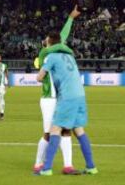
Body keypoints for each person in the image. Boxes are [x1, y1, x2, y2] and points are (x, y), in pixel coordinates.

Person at [36, 31, 98, 176]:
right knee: (79, 130)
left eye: (46, 40)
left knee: (55, 130)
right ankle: (91, 167)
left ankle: (46, 169)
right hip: (80, 95)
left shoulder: (51, 56)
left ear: (50, 42)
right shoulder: (70, 56)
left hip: (68, 96)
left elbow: (40, 77)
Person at [33, 5, 81, 175]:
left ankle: (68, 165)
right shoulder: (45, 53)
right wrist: (70, 19)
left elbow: (62, 37)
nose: (46, 40)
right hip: (48, 99)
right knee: (48, 133)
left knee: (66, 130)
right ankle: (38, 163)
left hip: (61, 98)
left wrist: (71, 18)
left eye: (48, 38)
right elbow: (61, 38)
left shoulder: (58, 51)